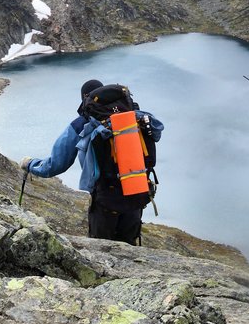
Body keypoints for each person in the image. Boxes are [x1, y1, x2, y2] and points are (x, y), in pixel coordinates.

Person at [20, 79, 163, 245]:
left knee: (101, 250)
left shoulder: (82, 124)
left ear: (85, 99)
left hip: (105, 200)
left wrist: (30, 164)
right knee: (129, 247)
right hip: (136, 194)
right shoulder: (134, 117)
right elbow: (156, 135)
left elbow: (55, 165)